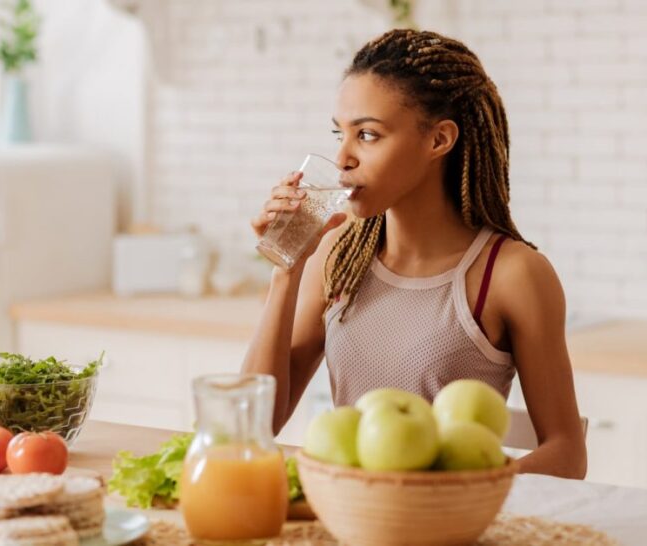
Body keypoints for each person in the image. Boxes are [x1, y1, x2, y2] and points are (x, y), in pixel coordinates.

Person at [243, 28, 587, 479]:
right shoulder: (336, 254)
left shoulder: (512, 274)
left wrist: (460, 490)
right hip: (352, 520)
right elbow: (252, 426)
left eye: (367, 135)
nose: (342, 156)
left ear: (439, 140)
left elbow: (566, 453)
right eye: (338, 133)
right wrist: (286, 268)